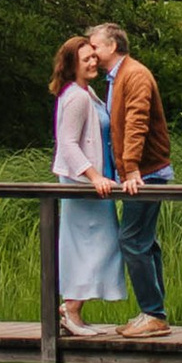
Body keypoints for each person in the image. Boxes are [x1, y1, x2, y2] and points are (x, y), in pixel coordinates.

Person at [86, 20, 172, 338]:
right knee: (144, 241)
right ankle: (153, 311)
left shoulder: (134, 75)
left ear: (112, 46)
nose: (91, 52)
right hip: (139, 172)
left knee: (132, 240)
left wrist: (132, 168)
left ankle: (154, 314)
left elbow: (137, 122)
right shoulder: (117, 77)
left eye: (95, 46)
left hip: (146, 173)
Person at [48, 34, 122, 334]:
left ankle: (73, 309)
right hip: (82, 183)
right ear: (72, 65)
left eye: (93, 56)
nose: (93, 62)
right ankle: (71, 309)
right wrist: (94, 177)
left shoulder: (86, 92)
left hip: (95, 182)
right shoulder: (76, 97)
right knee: (95, 245)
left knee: (98, 245)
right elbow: (67, 144)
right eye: (86, 59)